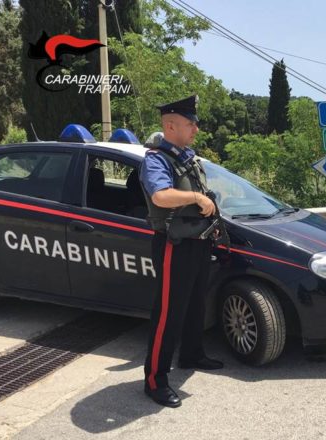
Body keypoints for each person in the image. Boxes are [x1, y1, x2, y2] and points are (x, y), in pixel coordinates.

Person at [140, 95, 223, 408]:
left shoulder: (187, 157)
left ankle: (192, 354)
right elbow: (160, 196)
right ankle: (155, 380)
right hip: (174, 244)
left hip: (198, 241)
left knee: (195, 304)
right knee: (168, 313)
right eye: (190, 124)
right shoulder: (156, 159)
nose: (196, 130)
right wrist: (196, 199)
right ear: (170, 125)